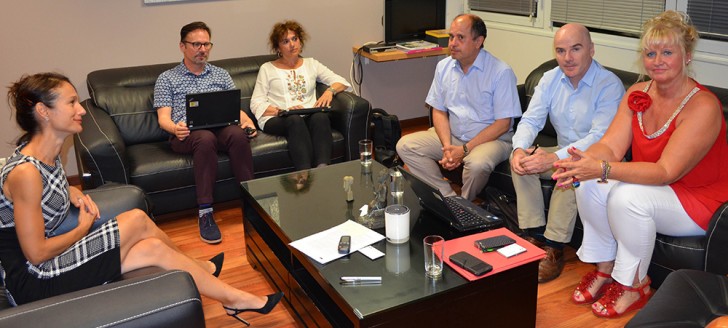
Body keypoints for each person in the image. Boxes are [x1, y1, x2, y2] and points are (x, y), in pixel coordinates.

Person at [0, 73, 282, 325]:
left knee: (152, 250)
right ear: (43, 112)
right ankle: (207, 272)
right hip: (34, 278)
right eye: (71, 103)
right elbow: (36, 253)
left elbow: (44, 192)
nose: (80, 110)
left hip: (52, 261)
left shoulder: (45, 153)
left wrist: (72, 191)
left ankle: (233, 299)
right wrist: (83, 228)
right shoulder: (26, 172)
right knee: (135, 219)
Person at [553, 11, 728, 318]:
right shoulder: (637, 92)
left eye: (667, 52)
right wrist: (580, 164)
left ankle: (633, 284)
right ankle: (606, 269)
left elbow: (665, 172)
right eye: (650, 53)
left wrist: (603, 168)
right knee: (588, 182)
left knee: (625, 197)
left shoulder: (704, 106)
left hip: (698, 200)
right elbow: (610, 146)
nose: (657, 60)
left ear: (687, 56)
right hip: (654, 187)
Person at [510, 24, 624, 283]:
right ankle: (534, 233)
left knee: (569, 167)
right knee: (519, 159)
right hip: (562, 151)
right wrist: (519, 149)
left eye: (576, 49)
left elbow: (599, 136)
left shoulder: (609, 85)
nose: (567, 57)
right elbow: (530, 120)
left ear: (591, 50)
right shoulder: (550, 78)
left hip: (598, 157)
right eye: (561, 50)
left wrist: (554, 158)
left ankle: (554, 246)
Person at [396, 14, 521, 201]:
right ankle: (447, 198)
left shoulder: (501, 72)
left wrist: (463, 150)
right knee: (405, 145)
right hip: (454, 137)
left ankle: (465, 204)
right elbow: (438, 110)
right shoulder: (443, 67)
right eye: (451, 37)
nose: (452, 43)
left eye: (460, 38)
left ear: (479, 41)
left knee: (477, 163)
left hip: (493, 140)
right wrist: (448, 147)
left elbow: (504, 124)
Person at [154, 21, 257, 244]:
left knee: (238, 135)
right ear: (182, 46)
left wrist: (248, 123)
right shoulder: (167, 78)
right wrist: (175, 128)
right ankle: (205, 212)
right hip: (185, 134)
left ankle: (252, 202)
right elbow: (163, 118)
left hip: (220, 128)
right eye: (197, 44)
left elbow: (234, 108)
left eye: (206, 44)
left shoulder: (220, 75)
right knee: (205, 138)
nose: (203, 49)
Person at [251, 20, 351, 171]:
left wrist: (330, 92)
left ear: (300, 41)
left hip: (308, 113)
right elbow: (256, 103)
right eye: (285, 41)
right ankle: (304, 174)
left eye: (295, 39)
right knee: (294, 120)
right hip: (278, 117)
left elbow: (341, 82)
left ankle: (323, 170)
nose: (292, 44)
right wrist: (280, 111)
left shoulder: (311, 64)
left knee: (320, 117)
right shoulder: (267, 69)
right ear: (278, 47)